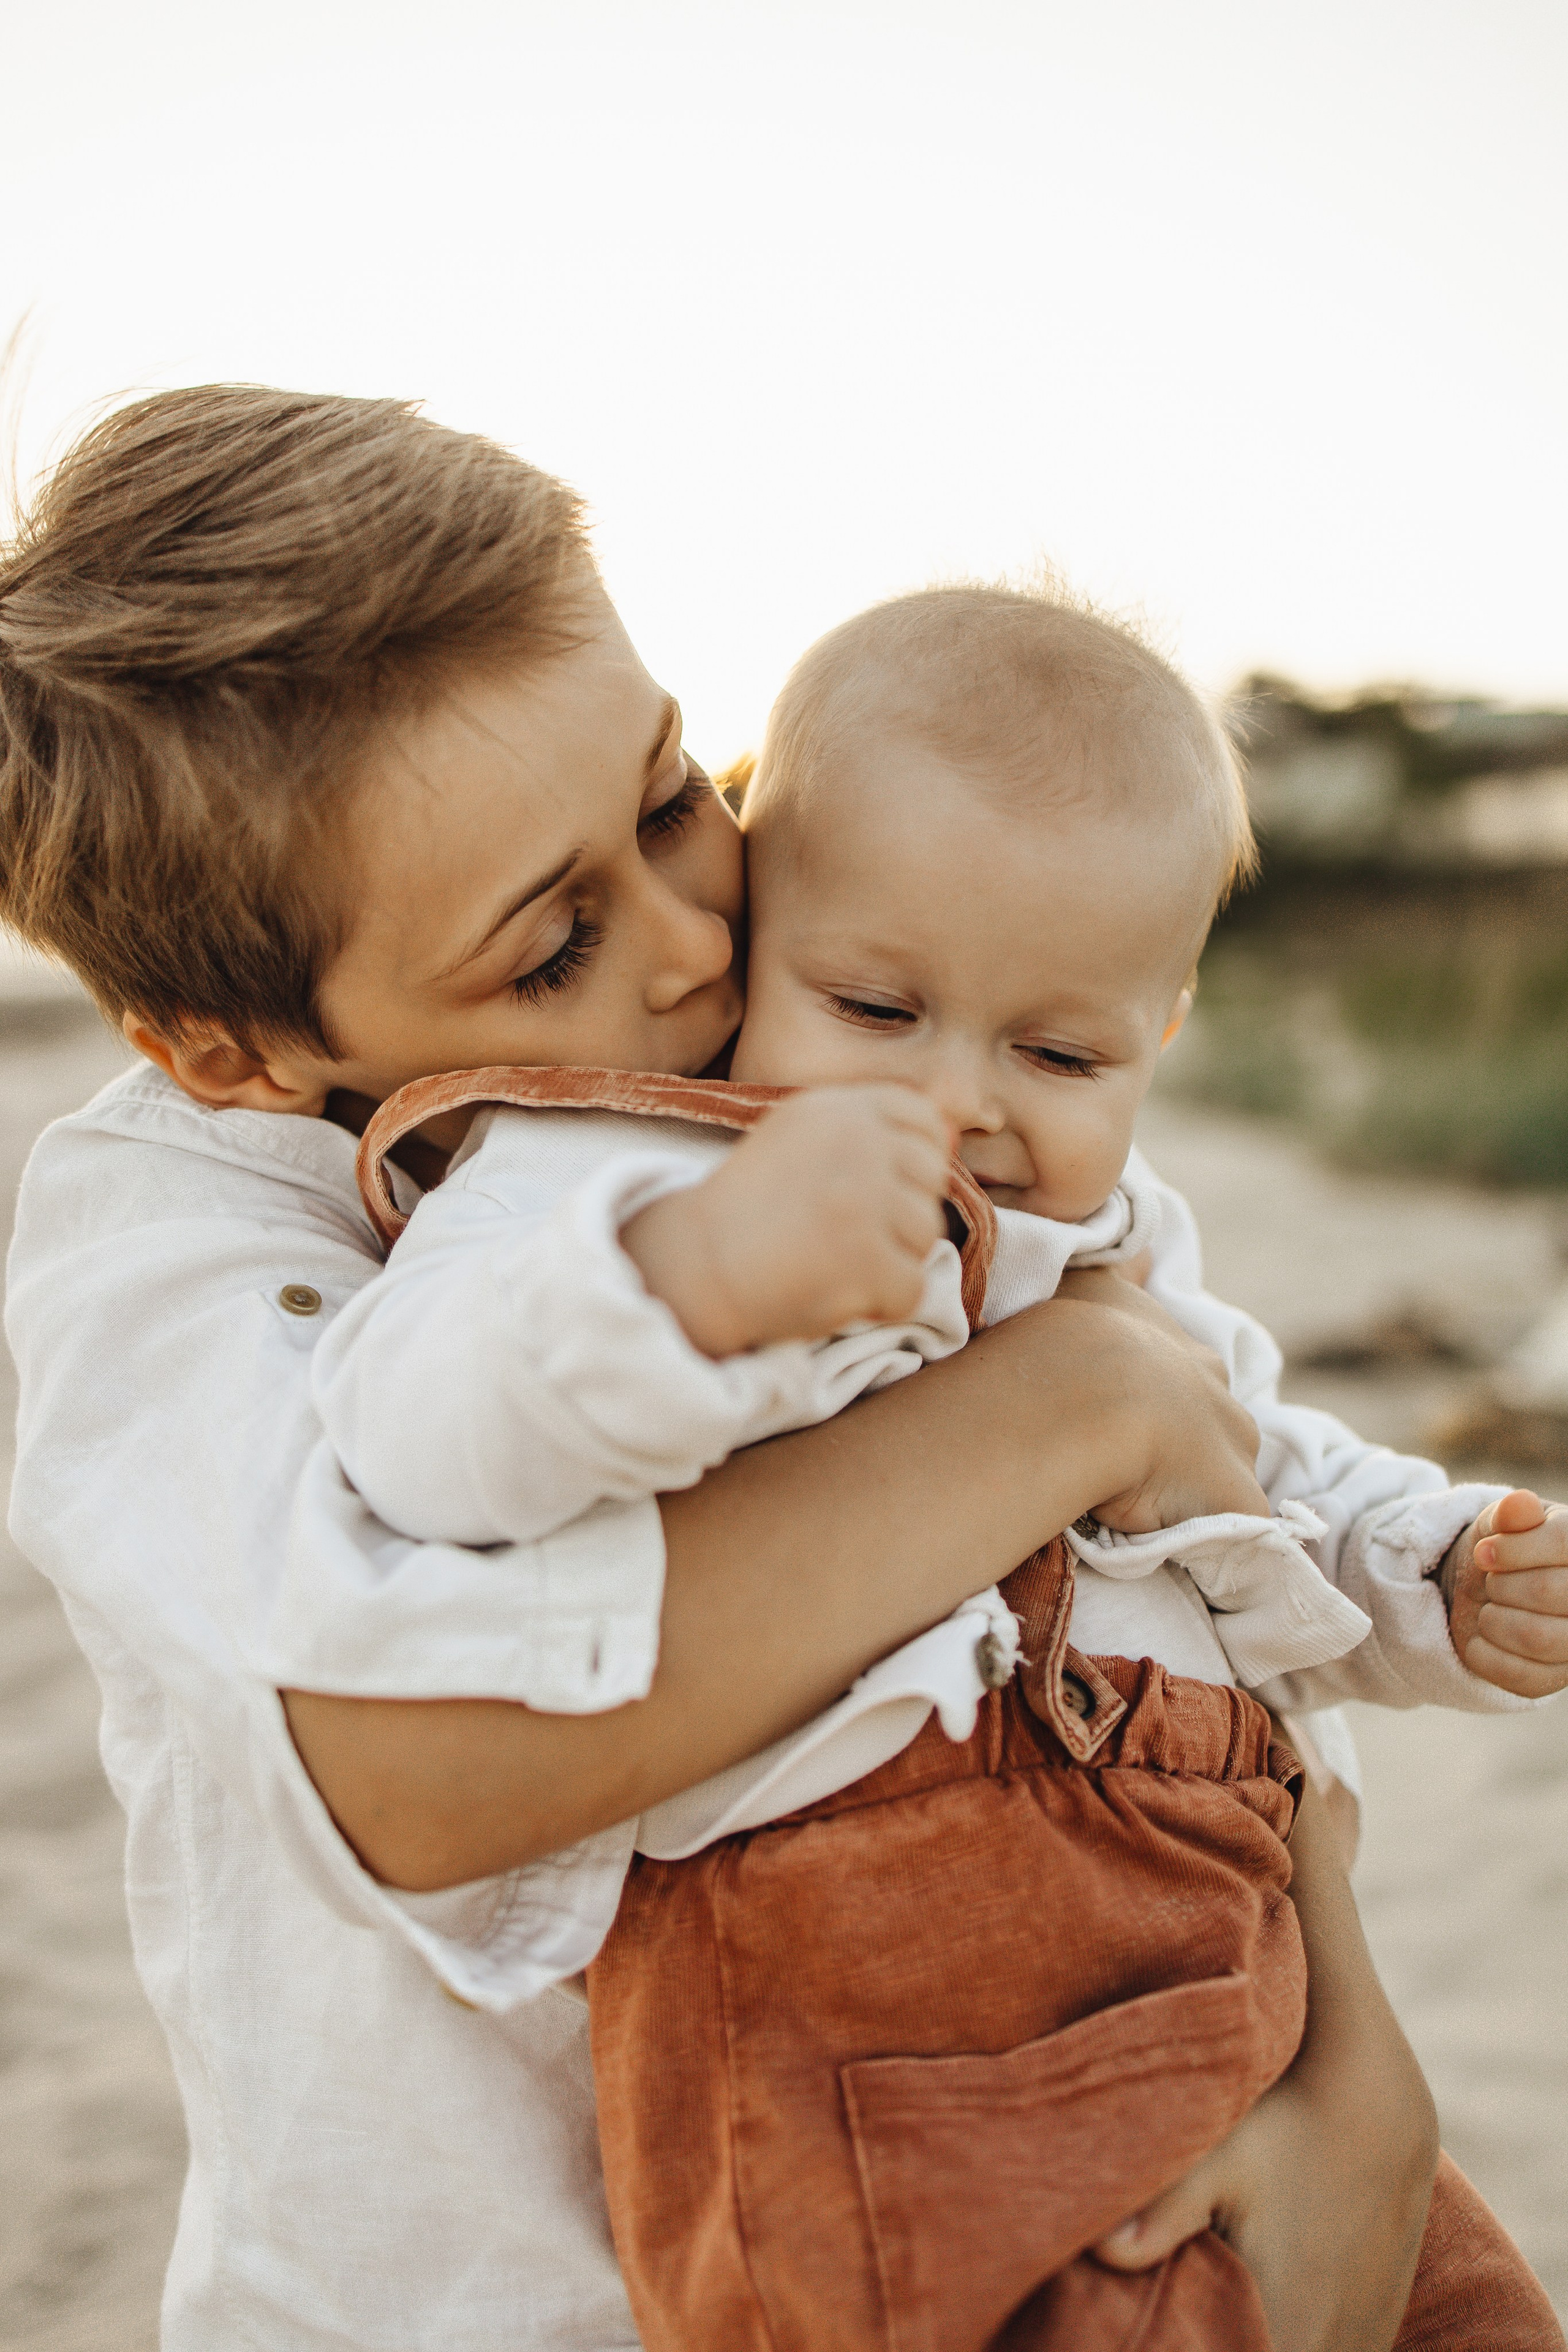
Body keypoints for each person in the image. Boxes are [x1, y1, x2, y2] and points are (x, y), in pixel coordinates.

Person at [0, 385, 1537, 2352]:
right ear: (224, 1042)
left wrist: (1358, 2066)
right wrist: (1077, 1400)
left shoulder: (792, 1067)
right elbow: (421, 1769)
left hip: (1119, 2079)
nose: (688, 948)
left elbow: (1175, 1603)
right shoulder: (175, 1245)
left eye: (671, 801)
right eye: (553, 939)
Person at [320, 582, 1568, 2346]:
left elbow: (1249, 1465)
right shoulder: (620, 1176)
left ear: (1166, 1032)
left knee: (1460, 2312)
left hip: (1209, 1898)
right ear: (757, 940)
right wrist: (697, 1287)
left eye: (1058, 1053)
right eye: (872, 1006)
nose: (963, 1100)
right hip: (873, 1930)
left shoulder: (1118, 1246)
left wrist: (1428, 1570)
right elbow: (421, 1416)